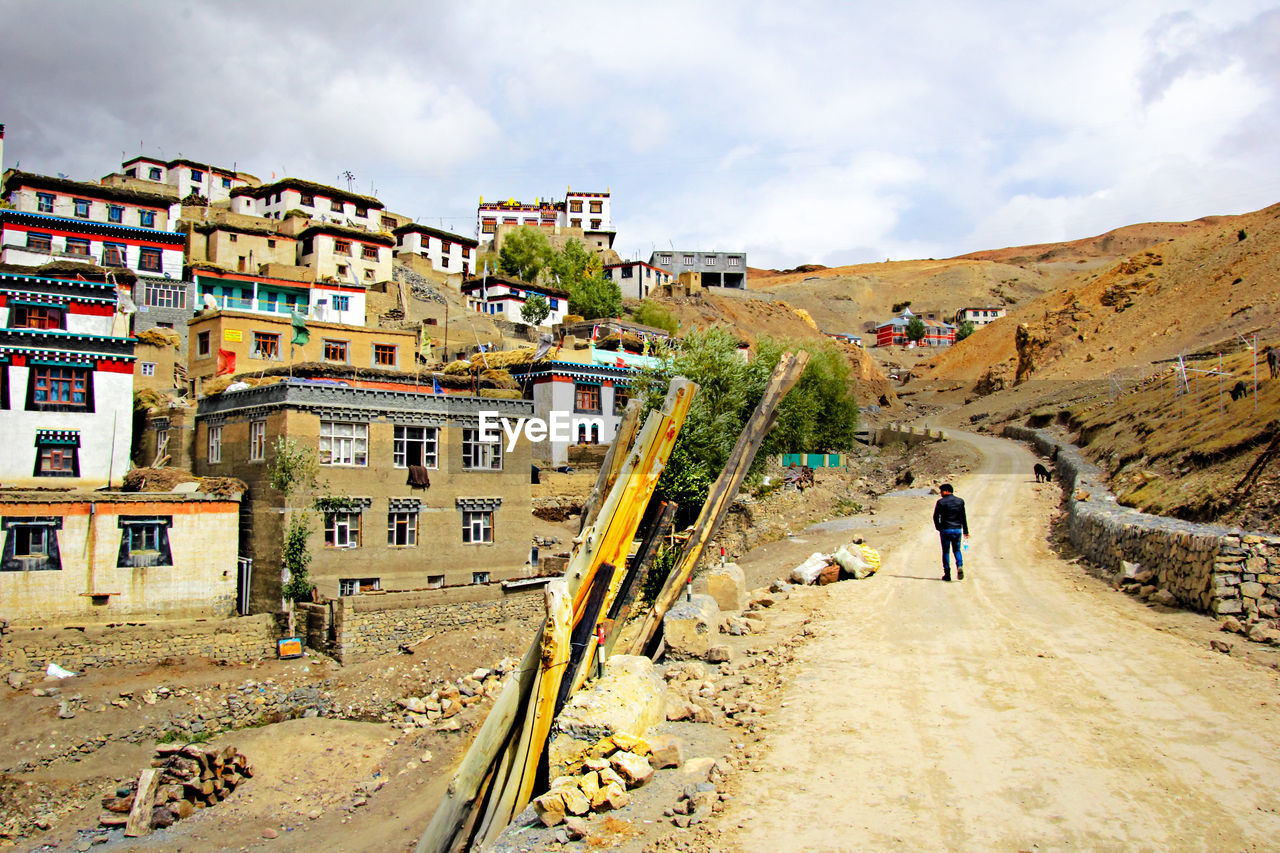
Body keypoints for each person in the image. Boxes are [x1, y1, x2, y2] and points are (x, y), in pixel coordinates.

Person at [932, 483, 970, 581]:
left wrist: (939, 527)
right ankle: (959, 566)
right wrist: (965, 531)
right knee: (957, 550)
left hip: (945, 529)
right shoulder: (960, 501)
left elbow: (936, 517)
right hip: (957, 529)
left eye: (941, 491)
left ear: (946, 491)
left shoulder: (940, 502)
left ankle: (947, 573)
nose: (940, 493)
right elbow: (963, 517)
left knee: (946, 551)